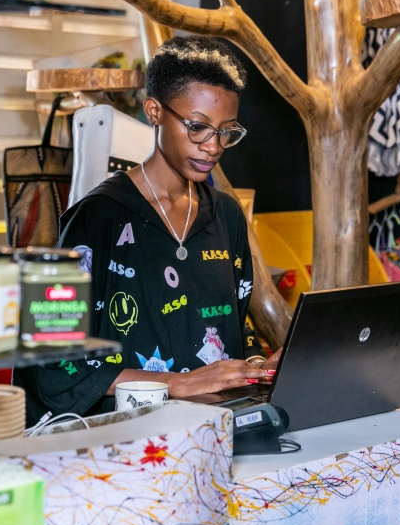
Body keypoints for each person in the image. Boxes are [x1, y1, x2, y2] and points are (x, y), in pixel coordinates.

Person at [16, 36, 278, 422]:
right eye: (198, 128)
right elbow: (51, 362)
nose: (213, 147)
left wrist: (258, 365)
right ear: (154, 111)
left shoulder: (226, 216)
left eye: (226, 132)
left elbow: (231, 329)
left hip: (218, 428)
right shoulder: (96, 219)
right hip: (126, 440)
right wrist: (174, 383)